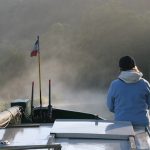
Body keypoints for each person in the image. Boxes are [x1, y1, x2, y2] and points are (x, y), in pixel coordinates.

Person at [107, 56, 150, 126]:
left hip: (121, 124)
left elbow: (110, 107)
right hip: (142, 125)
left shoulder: (114, 84)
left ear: (120, 68)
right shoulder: (145, 83)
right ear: (134, 66)